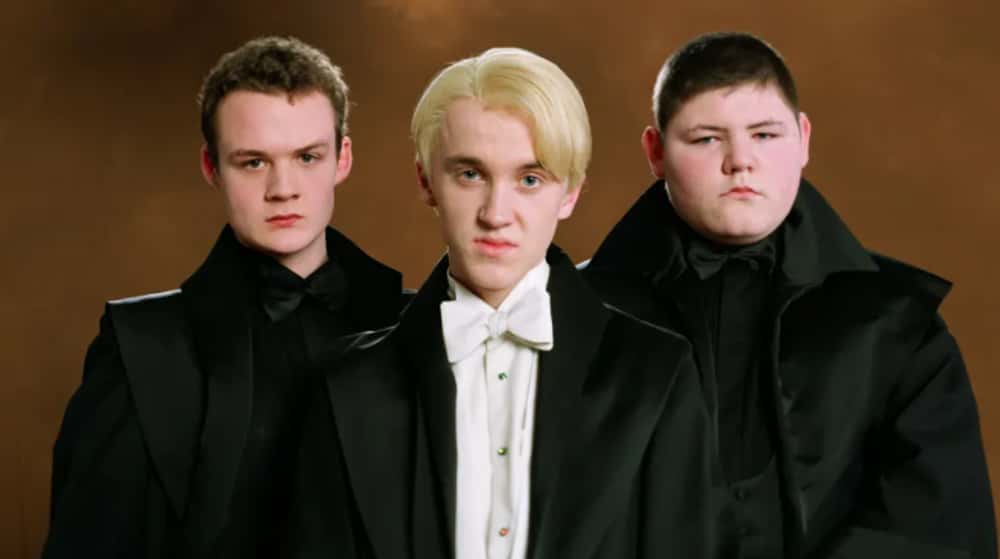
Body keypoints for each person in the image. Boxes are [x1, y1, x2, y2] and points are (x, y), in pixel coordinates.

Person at [290, 47, 716, 558]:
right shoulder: (343, 384)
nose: (496, 214)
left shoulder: (657, 374)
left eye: (529, 179)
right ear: (426, 181)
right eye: (470, 175)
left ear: (570, 193)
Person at [582, 31, 996, 558]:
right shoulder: (571, 313)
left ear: (803, 139)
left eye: (765, 134)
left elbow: (935, 527)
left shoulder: (899, 324)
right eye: (706, 139)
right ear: (656, 152)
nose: (740, 161)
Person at [45, 36, 406, 558]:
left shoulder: (417, 326)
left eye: (307, 157)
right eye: (253, 162)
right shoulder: (141, 352)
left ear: (342, 158)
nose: (283, 188)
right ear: (211, 166)